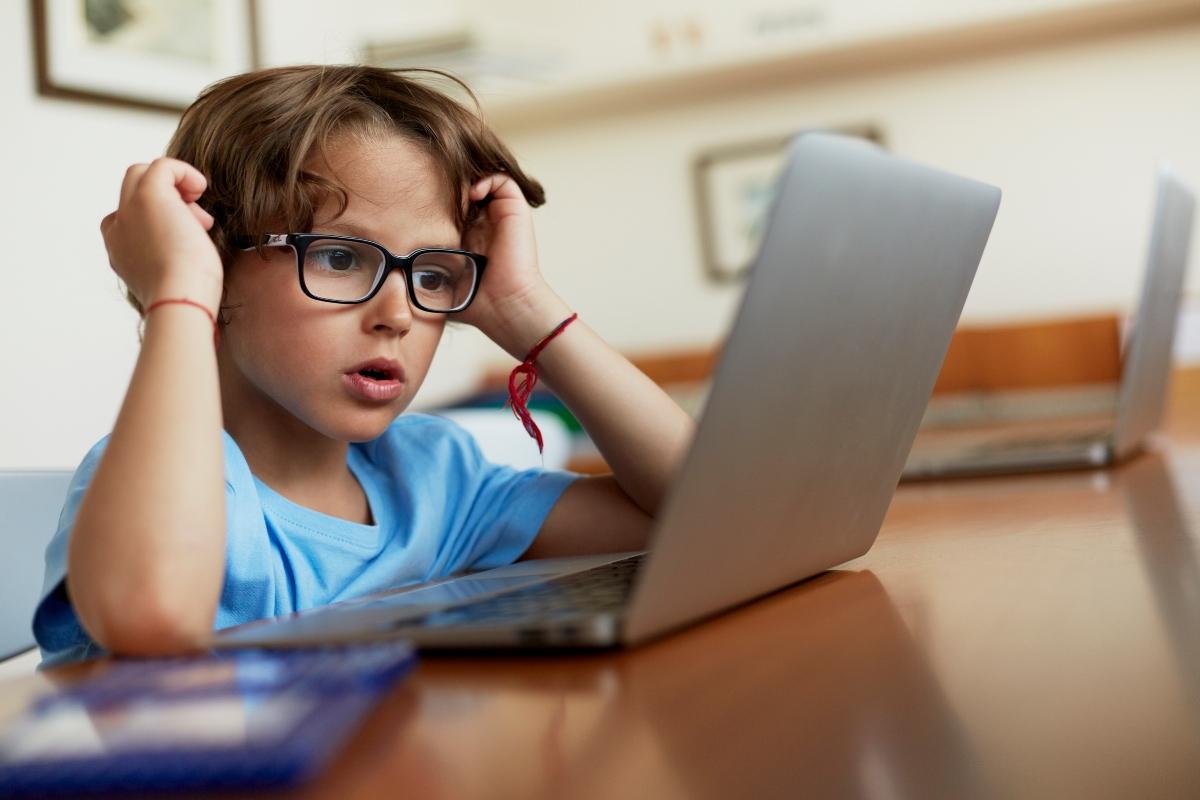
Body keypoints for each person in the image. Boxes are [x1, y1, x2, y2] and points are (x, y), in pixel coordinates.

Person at [32, 65, 695, 667]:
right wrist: (177, 295)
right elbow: (153, 615)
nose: (398, 313)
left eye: (432, 273)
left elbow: (699, 513)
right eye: (342, 259)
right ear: (217, 261)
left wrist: (524, 306)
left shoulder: (434, 479)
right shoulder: (162, 485)